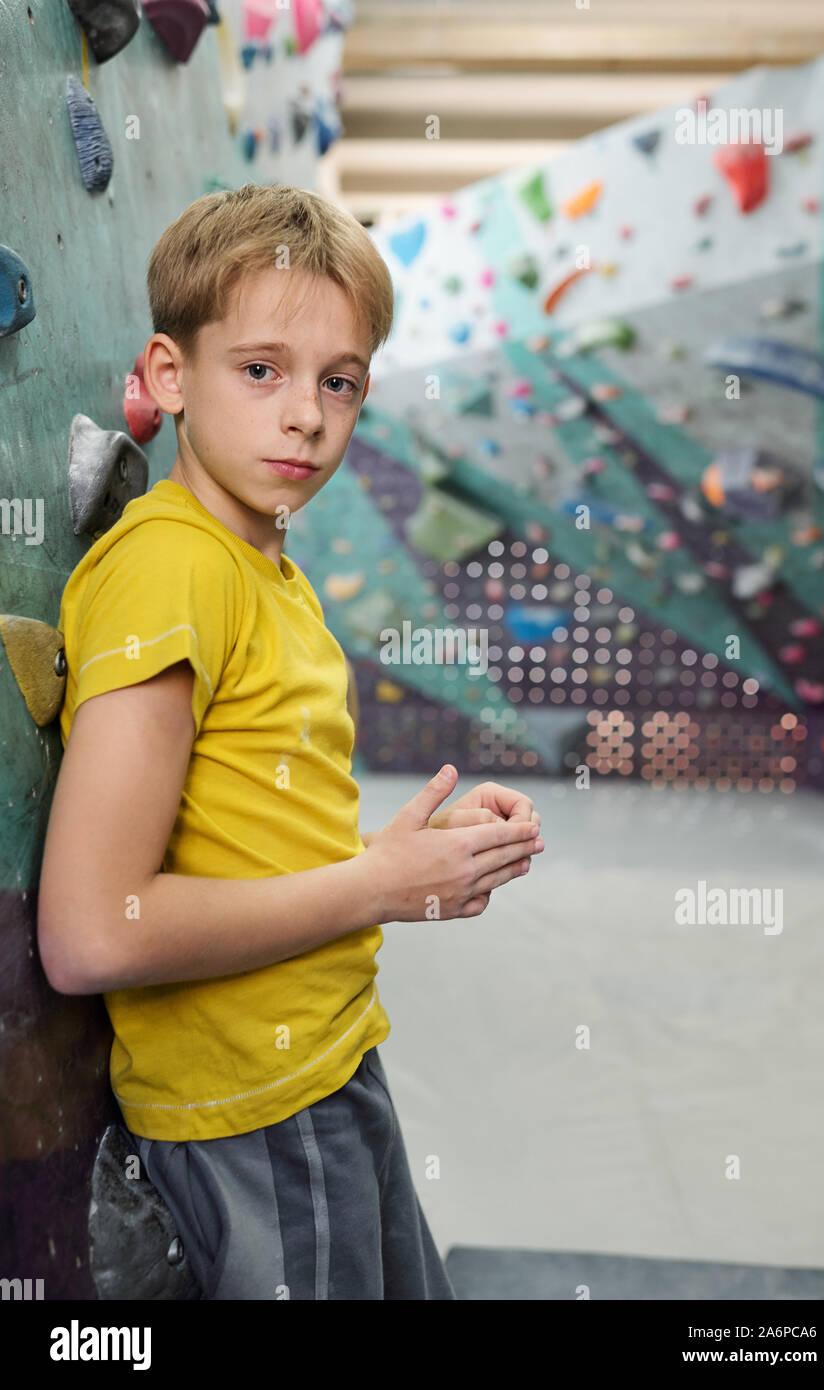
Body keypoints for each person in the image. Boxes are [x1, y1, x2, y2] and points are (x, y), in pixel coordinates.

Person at [37, 183, 545, 1300]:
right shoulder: (172, 565)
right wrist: (374, 882)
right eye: (261, 369)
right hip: (251, 1116)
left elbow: (241, 838)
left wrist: (414, 859)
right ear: (169, 376)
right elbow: (89, 930)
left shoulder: (262, 566)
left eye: (340, 380)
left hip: (320, 1065)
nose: (306, 414)